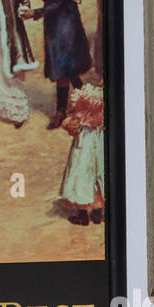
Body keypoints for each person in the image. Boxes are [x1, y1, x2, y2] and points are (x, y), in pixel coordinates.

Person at [21, 0, 92, 128]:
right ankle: (84, 101)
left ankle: (63, 110)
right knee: (63, 65)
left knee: (64, 64)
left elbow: (60, 2)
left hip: (67, 20)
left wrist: (35, 12)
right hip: (52, 21)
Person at [59, 84, 105, 225]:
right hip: (98, 138)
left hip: (86, 140)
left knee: (82, 172)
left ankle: (84, 213)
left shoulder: (89, 96)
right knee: (97, 171)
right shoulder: (96, 96)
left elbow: (81, 112)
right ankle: (97, 213)